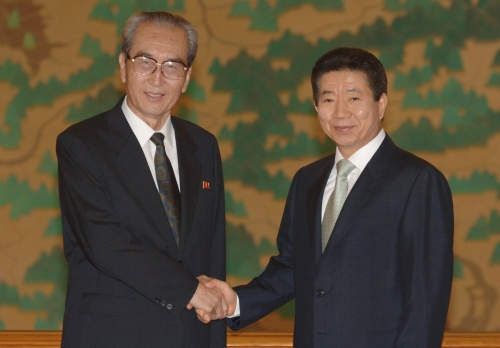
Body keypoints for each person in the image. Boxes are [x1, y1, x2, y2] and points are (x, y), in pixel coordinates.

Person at [201, 47, 454, 347]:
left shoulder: (418, 181)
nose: (340, 113)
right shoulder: (307, 181)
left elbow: (425, 302)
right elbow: (294, 267)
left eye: (354, 98)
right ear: (316, 106)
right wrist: (236, 302)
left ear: (381, 103)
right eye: (328, 100)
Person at [56, 11, 230, 348]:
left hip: (190, 336)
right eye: (145, 62)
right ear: (123, 65)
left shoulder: (203, 146)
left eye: (172, 66)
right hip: (111, 336)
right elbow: (105, 242)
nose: (157, 79)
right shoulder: (82, 144)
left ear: (187, 76)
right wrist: (189, 290)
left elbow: (213, 251)